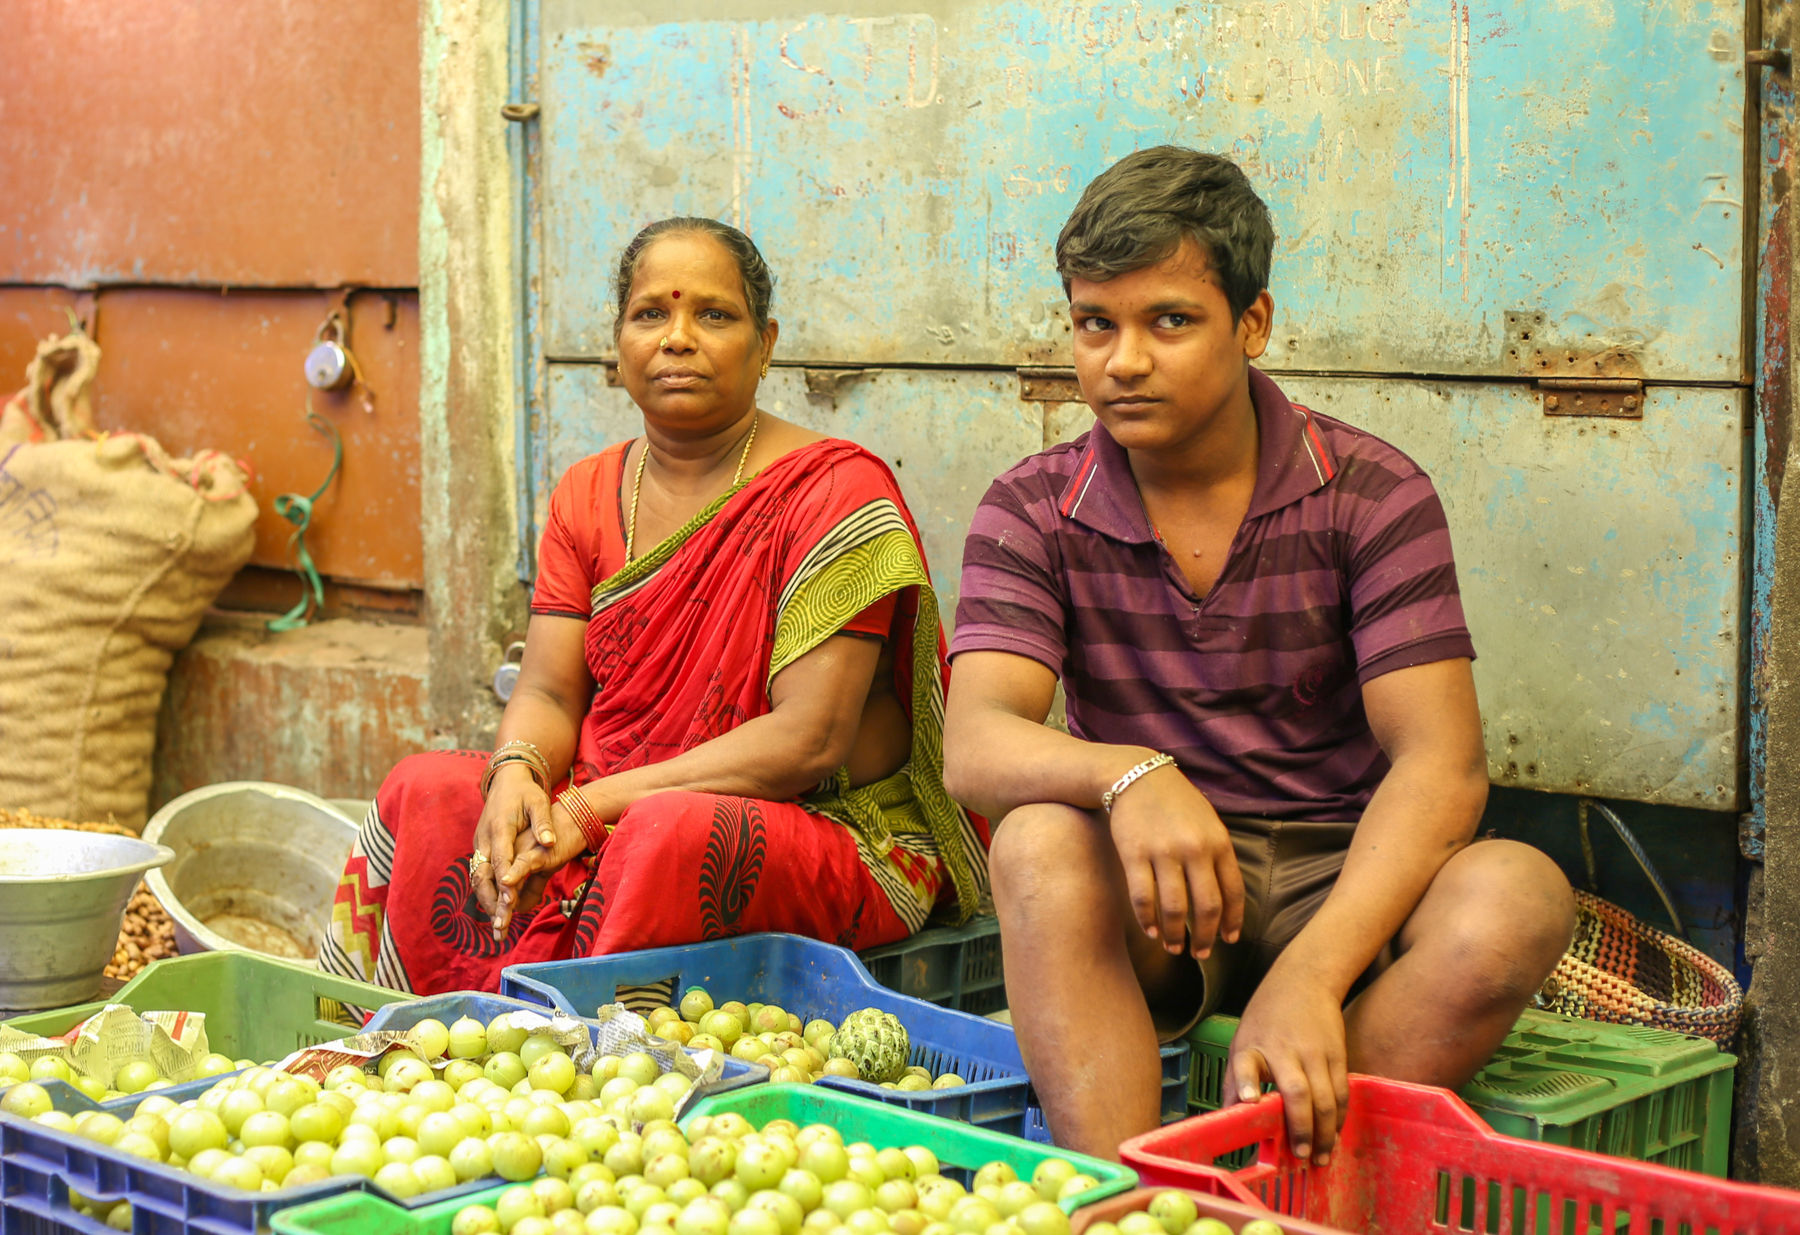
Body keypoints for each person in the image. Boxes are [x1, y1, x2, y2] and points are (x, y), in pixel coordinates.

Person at [942, 147, 1575, 1161]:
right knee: (1034, 844)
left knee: (1517, 895)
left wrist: (1314, 974)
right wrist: (1131, 774)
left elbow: (1441, 764)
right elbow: (973, 743)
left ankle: (1268, 1168)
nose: (1124, 359)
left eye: (1170, 321)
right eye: (1095, 323)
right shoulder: (1032, 506)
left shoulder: (1371, 491)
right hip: (1161, 889)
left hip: (1344, 867)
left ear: (1253, 323)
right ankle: (1135, 1200)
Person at [323, 217, 989, 995]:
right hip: (620, 799)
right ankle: (405, 1042)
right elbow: (546, 691)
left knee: (670, 834)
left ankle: (584, 1053)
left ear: (764, 342)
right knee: (428, 788)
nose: (677, 337)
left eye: (713, 314)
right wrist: (517, 773)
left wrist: (591, 807)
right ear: (618, 345)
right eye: (651, 314)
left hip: (830, 826)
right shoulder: (587, 491)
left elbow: (810, 739)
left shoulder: (836, 493)